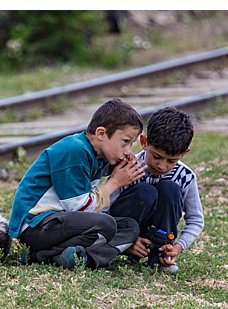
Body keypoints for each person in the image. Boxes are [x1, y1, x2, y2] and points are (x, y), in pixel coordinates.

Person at [9, 99, 144, 268]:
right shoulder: (74, 150)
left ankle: (82, 258)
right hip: (36, 225)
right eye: (125, 142)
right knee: (106, 225)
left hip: (62, 222)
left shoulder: (97, 154)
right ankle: (42, 255)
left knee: (129, 227)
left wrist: (121, 164)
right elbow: (79, 208)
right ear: (101, 133)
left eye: (131, 145)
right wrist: (114, 183)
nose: (128, 151)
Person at [109, 106, 201, 272]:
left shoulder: (186, 176)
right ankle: (119, 247)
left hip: (160, 233)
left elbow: (195, 220)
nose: (162, 165)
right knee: (145, 191)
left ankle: (159, 256)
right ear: (144, 142)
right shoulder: (127, 167)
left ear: (184, 153)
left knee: (170, 188)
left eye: (171, 161)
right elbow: (105, 211)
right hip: (124, 231)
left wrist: (178, 247)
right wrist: (127, 240)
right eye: (157, 156)